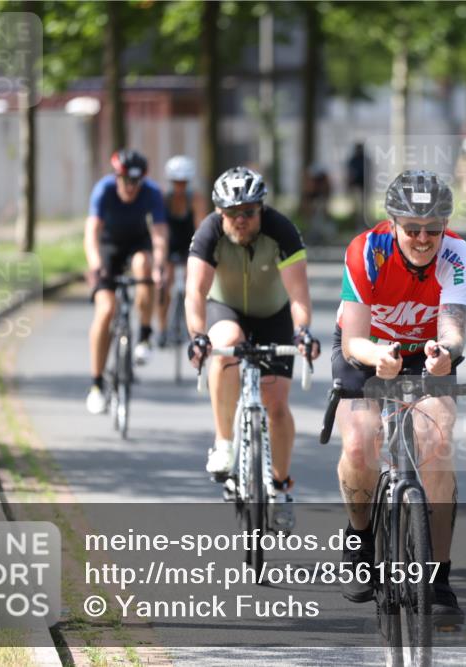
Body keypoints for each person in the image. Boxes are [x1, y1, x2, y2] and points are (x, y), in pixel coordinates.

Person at [333, 169, 466, 628]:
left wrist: (444, 354)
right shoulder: (366, 251)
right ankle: (360, 541)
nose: (422, 238)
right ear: (393, 222)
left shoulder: (456, 254)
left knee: (439, 438)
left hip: (425, 355)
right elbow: (353, 338)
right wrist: (380, 357)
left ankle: (439, 576)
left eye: (433, 228)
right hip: (367, 350)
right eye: (412, 228)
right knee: (359, 440)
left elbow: (452, 327)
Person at [185, 166, 321, 531]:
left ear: (261, 209)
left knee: (276, 405)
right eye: (232, 213)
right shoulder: (209, 233)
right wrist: (198, 335)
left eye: (249, 212)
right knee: (226, 342)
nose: (241, 220)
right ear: (219, 213)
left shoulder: (281, 230)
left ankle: (279, 487)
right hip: (225, 309)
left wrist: (303, 331)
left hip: (273, 314)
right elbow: (195, 292)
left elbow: (298, 295)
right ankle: (224, 443)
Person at [84, 149, 168, 415]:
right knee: (106, 309)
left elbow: (159, 234)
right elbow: (91, 234)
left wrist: (160, 265)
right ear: (116, 176)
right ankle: (97, 385)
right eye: (125, 181)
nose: (130, 187)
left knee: (144, 266)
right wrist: (96, 267)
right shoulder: (103, 190)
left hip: (137, 245)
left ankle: (144, 336)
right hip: (109, 248)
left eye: (136, 182)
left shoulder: (152, 192)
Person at [157, 155, 206, 347]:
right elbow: (160, 228)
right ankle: (161, 328)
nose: (180, 187)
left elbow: (200, 228)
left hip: (190, 244)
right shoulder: (163, 199)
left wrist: (197, 256)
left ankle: (190, 325)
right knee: (163, 283)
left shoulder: (195, 199)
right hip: (170, 244)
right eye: (176, 183)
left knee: (192, 283)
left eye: (183, 183)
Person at [346, 143, 369, 232]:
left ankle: (362, 224)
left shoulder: (364, 160)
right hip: (356, 186)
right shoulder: (353, 160)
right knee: (355, 206)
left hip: (363, 186)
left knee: (363, 208)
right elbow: (350, 173)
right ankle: (355, 224)